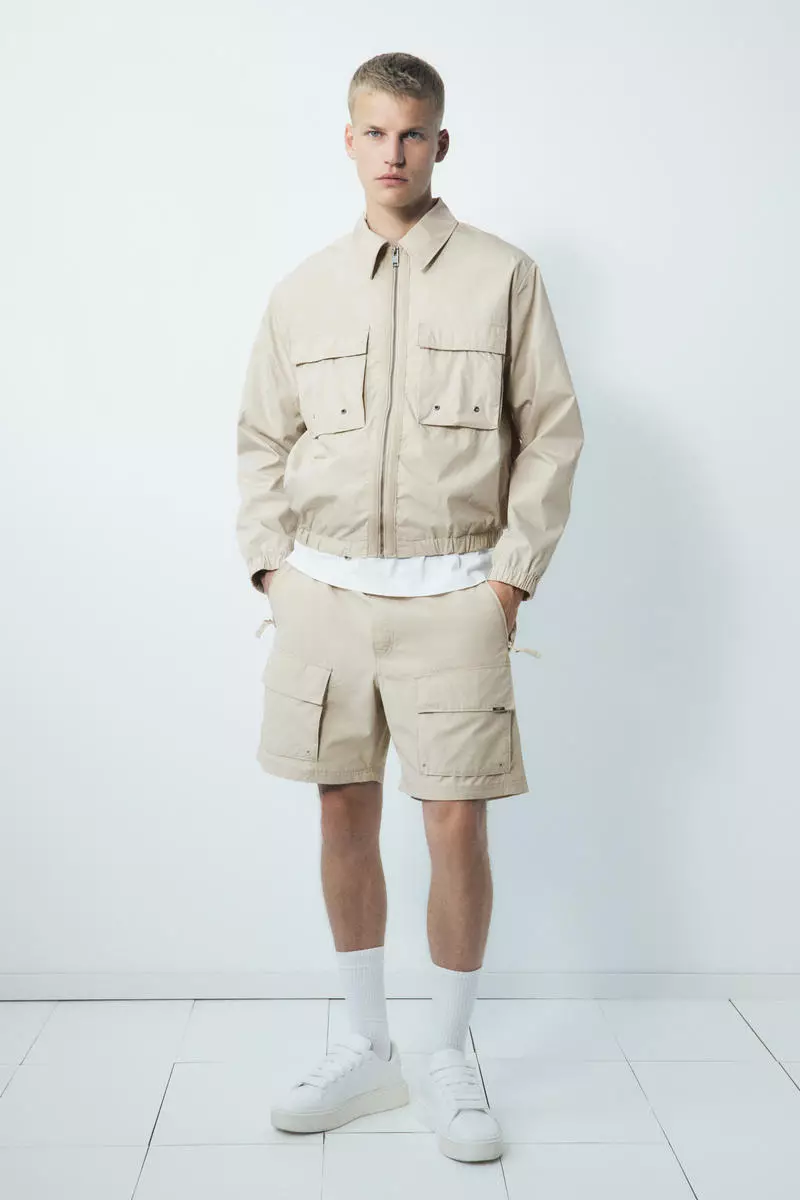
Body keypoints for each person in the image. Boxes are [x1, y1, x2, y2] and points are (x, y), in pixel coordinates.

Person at [235, 51, 584, 1163]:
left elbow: (552, 433)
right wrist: (272, 571)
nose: (394, 153)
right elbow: (261, 439)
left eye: (414, 133)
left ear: (441, 143)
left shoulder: (503, 276)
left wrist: (509, 579)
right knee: (341, 812)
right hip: (324, 597)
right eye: (375, 132)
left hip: (455, 598)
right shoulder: (302, 291)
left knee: (454, 822)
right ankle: (366, 1047)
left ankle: (447, 1053)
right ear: (348, 141)